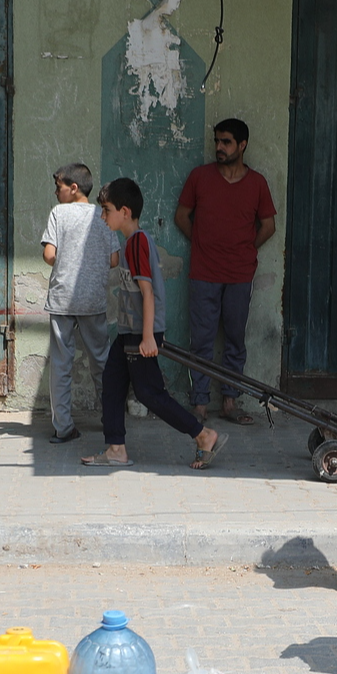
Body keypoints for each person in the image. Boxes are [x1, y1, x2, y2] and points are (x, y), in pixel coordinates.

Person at [82, 178, 228, 469]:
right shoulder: (131, 243)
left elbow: (147, 293)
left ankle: (203, 434)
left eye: (106, 210)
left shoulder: (137, 242)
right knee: (112, 383)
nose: (103, 217)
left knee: (149, 393)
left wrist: (148, 336)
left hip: (140, 333)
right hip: (129, 332)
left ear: (125, 212)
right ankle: (116, 449)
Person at [176, 118, 276, 425]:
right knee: (201, 341)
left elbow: (268, 226)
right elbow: (182, 216)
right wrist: (202, 243)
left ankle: (230, 403)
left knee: (235, 339)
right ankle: (200, 405)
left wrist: (245, 249)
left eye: (226, 142)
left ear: (242, 145)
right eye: (217, 141)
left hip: (239, 275)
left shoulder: (257, 183)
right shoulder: (200, 177)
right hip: (203, 272)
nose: (219, 147)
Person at [40, 163, 117, 445]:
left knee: (61, 364)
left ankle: (63, 427)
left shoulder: (58, 214)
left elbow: (49, 256)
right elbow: (114, 259)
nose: (56, 193)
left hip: (62, 299)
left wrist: (66, 260)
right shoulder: (102, 214)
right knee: (102, 361)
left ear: (73, 188)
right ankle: (111, 420)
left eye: (58, 187)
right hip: (93, 300)